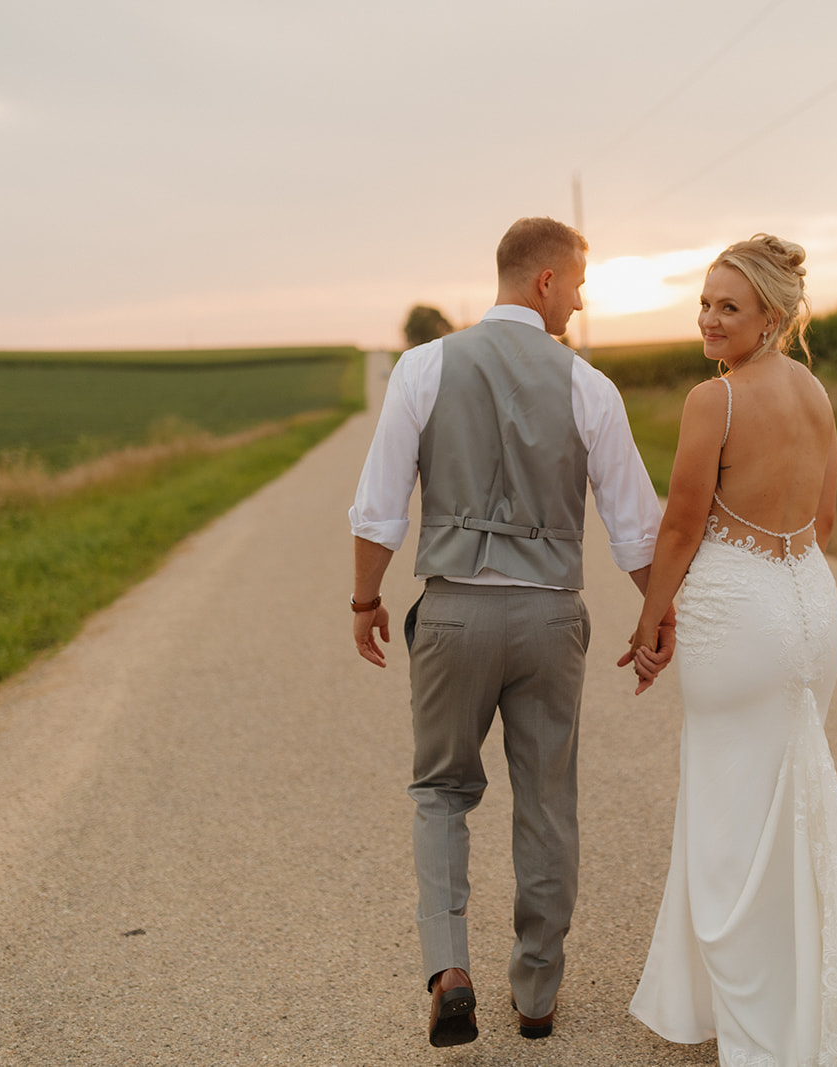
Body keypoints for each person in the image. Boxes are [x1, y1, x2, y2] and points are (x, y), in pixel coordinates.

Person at [348, 216, 673, 1048]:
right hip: (549, 615)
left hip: (453, 610)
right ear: (545, 282)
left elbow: (380, 506)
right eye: (578, 284)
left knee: (442, 790)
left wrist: (365, 600)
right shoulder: (587, 385)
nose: (581, 299)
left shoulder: (424, 368)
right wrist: (655, 614)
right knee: (547, 800)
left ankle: (450, 968)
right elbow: (636, 526)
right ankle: (536, 993)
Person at [625, 235, 837, 1065]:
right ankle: (799, 994)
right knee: (790, 801)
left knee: (728, 813)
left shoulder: (710, 402)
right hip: (810, 608)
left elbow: (681, 525)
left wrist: (651, 618)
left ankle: (759, 1027)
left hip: (738, 619)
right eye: (707, 302)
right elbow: (823, 523)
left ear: (774, 318)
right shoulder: (816, 394)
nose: (710, 319)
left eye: (730, 307)